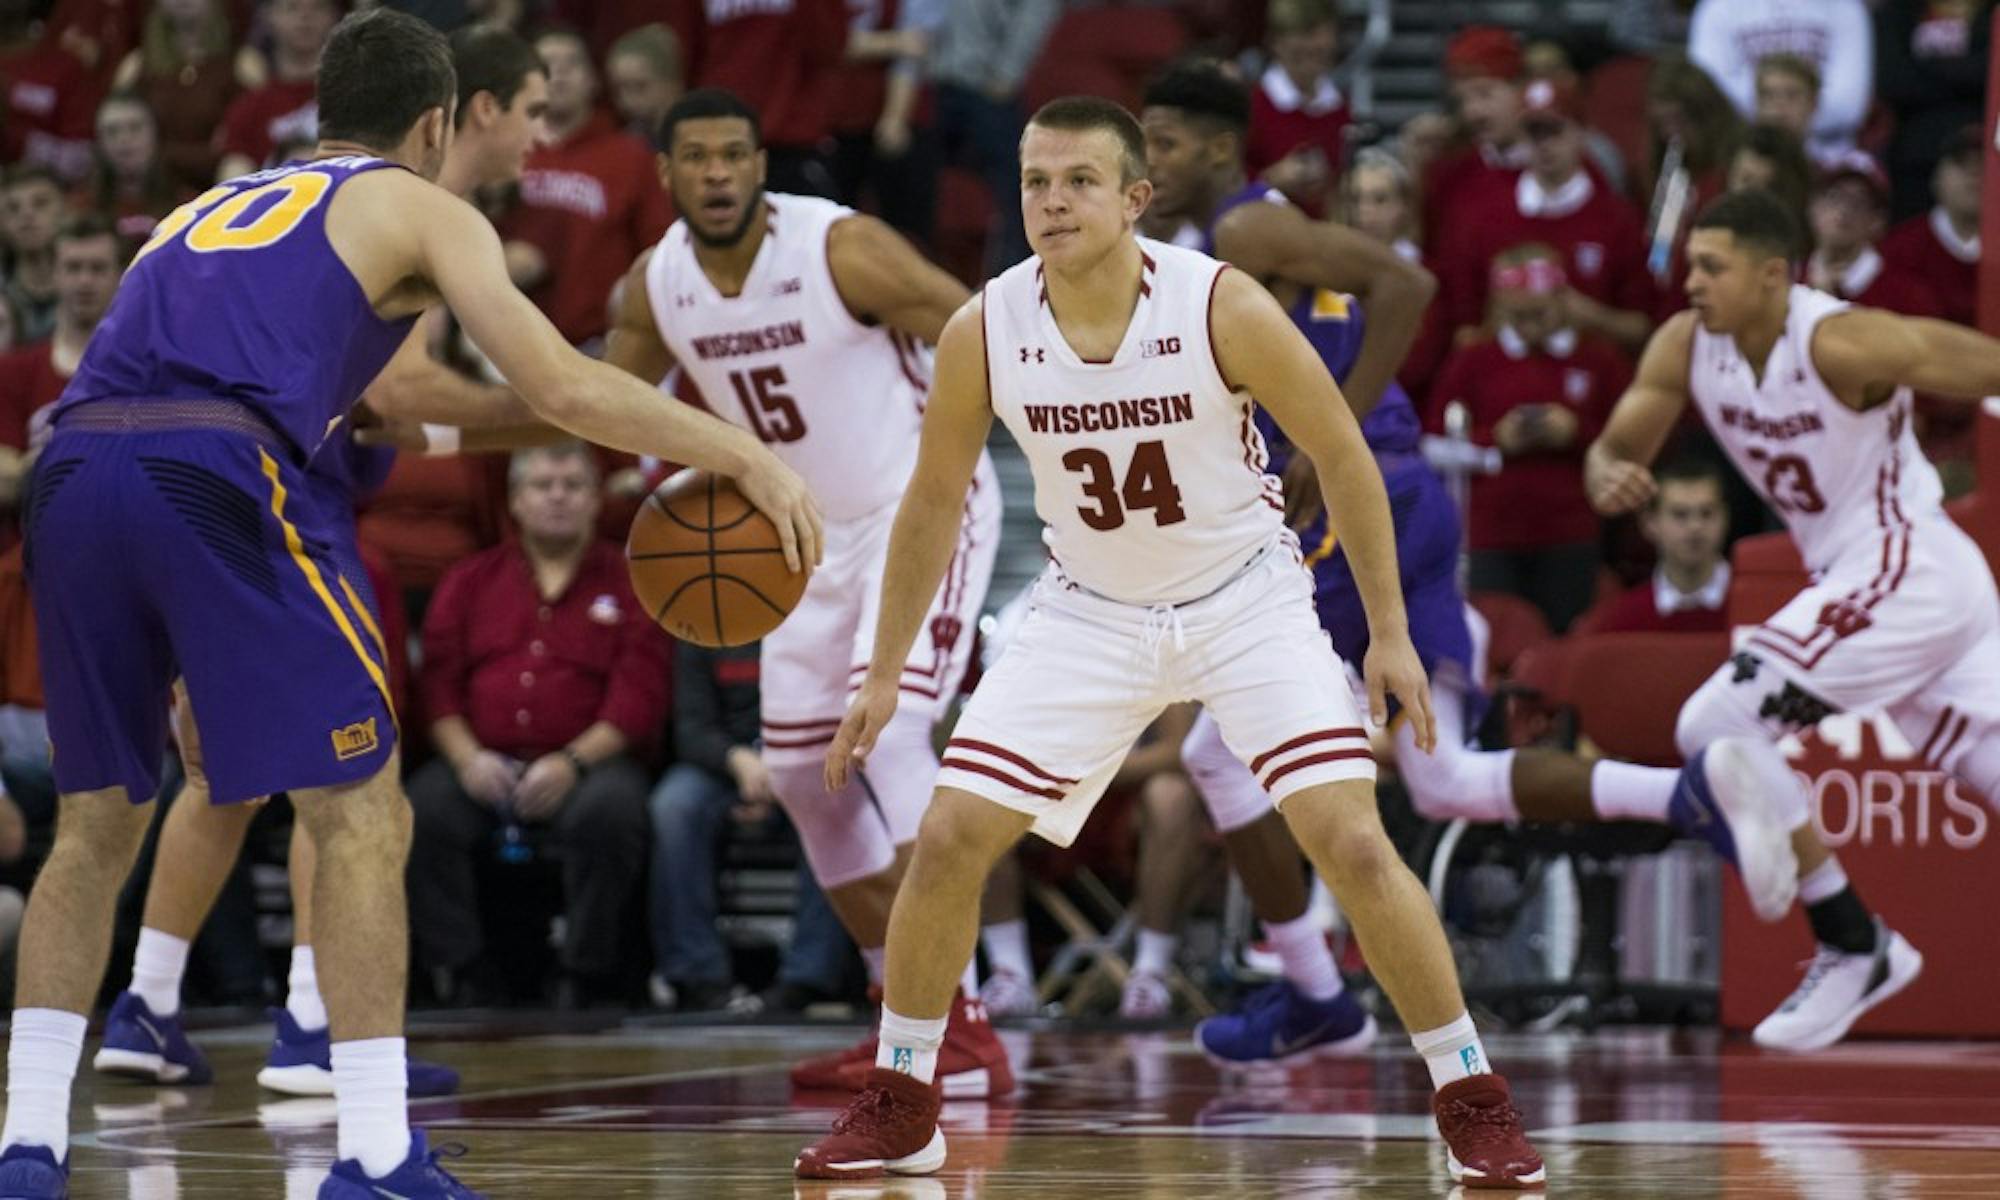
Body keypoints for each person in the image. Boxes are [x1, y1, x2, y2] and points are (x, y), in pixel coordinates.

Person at [0, 11, 819, 1200]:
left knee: (93, 827)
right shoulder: (419, 203)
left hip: (72, 471)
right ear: (437, 123)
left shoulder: (203, 208)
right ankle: (376, 1152)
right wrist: (741, 454)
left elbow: (345, 395)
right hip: (219, 468)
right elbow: (557, 379)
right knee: (359, 809)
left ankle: (27, 1144)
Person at [793, 93, 1546, 1189]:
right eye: (1033, 181)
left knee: (1347, 835)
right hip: (1087, 607)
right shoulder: (983, 327)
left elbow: (1340, 453)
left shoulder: (1216, 303)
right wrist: (883, 667)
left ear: (1134, 197)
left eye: (1078, 181)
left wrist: (1385, 631)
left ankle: (1470, 1096)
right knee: (950, 831)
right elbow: (929, 505)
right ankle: (905, 1098)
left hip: (1244, 596)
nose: (1050, 202)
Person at [1136, 62, 1796, 1071]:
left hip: (1364, 505)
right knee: (1439, 778)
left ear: (1220, 148)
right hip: (1404, 502)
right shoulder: (1225, 244)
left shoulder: (1241, 228)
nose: (1148, 163)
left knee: (1214, 759)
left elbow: (1410, 283)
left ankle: (1313, 992)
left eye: (1165, 142)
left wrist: (1327, 439)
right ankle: (1682, 798)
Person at [84, 23, 549, 1101]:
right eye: (529, 106)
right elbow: (404, 397)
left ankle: (151, 1001)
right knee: (342, 774)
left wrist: (513, 428)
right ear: (467, 114)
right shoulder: (414, 207)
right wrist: (562, 414)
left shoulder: (295, 188)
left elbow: (398, 415)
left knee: (230, 775)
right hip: (284, 496)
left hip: (201, 478)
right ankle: (310, 1022)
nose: (540, 131)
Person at [604, 87, 1007, 1097]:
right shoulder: (655, 289)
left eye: (735, 153)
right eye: (695, 156)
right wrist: (443, 430)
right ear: (666, 173)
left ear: (759, 161)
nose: (717, 173)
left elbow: (977, 327)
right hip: (797, 538)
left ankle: (960, 1025)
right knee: (799, 777)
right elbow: (593, 403)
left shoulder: (841, 251)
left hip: (921, 511)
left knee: (899, 732)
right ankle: (909, 1018)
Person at [1585, 188, 2000, 1051]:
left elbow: (1984, 366)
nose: (1691, 281)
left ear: (1774, 274)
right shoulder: (1686, 343)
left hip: (1902, 564)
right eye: (1692, 262)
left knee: (1716, 718)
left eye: (1712, 266)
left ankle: (1855, 942)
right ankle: (1852, 938)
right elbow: (1618, 445)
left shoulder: (1842, 340)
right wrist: (1605, 471)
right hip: (1892, 584)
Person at [408, 444, 669, 1008]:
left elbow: (638, 695)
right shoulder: (470, 579)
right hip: (481, 758)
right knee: (422, 812)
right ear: (515, 502)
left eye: (573, 485)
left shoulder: (633, 580)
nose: (558, 496)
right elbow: (440, 685)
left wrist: (571, 762)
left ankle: (585, 971)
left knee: (611, 814)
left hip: (589, 761)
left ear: (598, 501)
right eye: (543, 484)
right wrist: (467, 759)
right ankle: (464, 973)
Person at [1593, 457, 1733, 634]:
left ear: (1725, 518)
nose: (1695, 526)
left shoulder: (1759, 609)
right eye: (1680, 514)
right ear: (1650, 522)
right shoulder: (1621, 620)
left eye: (1706, 513)